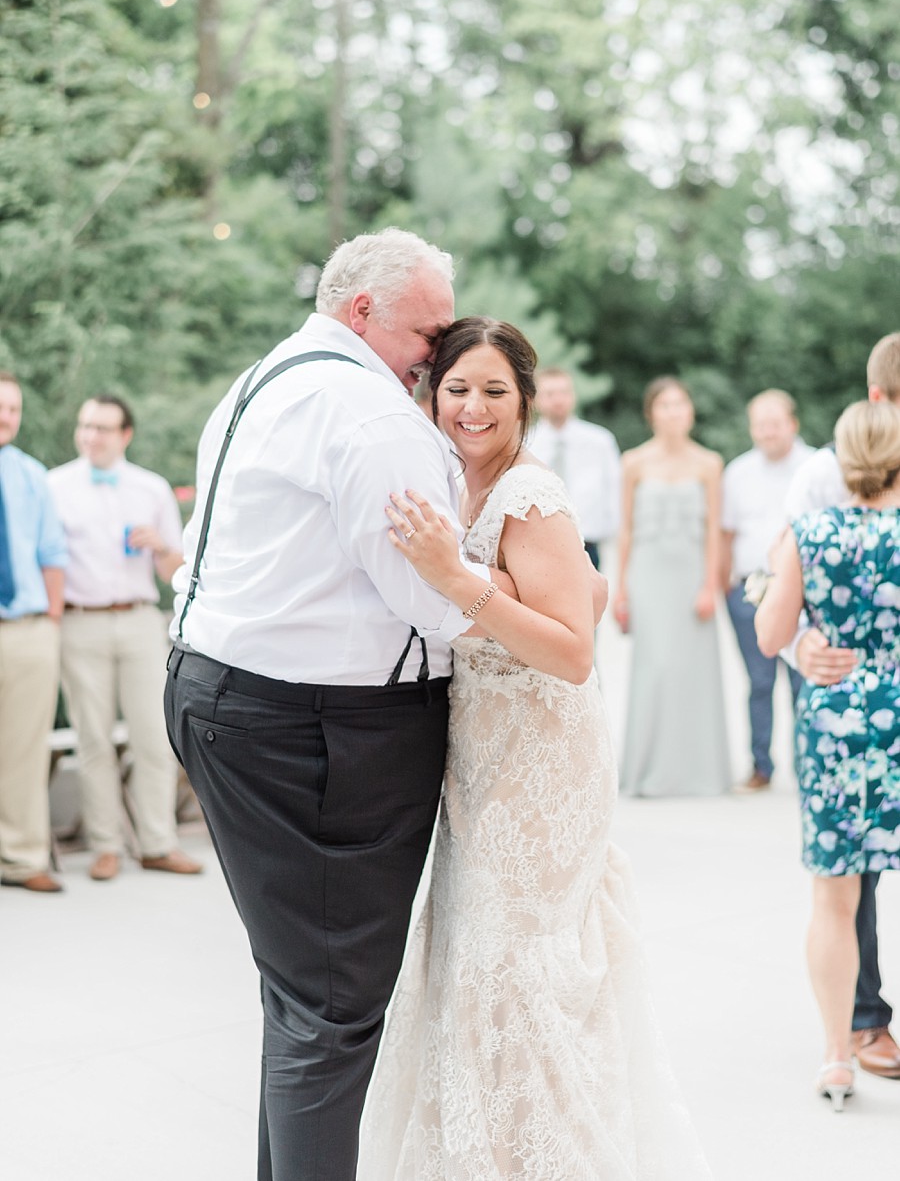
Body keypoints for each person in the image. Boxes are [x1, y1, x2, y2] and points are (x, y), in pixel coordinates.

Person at [163, 229, 513, 1181]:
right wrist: (535, 588)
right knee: (333, 1007)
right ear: (364, 312)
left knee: (302, 998)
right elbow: (434, 601)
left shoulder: (261, 382)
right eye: (428, 331)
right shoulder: (369, 415)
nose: (436, 354)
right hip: (319, 736)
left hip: (227, 698)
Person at [359, 318, 712, 1180]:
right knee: (477, 961)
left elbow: (570, 649)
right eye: (456, 389)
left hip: (544, 762)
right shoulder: (454, 486)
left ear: (524, 399)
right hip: (481, 753)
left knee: (521, 968)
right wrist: (493, 580)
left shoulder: (531, 493)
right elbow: (569, 594)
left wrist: (461, 583)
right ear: (429, 394)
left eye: (494, 391)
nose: (472, 407)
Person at [755, 399, 900, 1110]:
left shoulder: (808, 533)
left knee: (835, 898)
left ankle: (838, 1057)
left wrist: (811, 639)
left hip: (838, 730)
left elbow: (770, 633)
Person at [48, 396, 201, 883]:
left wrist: (161, 545)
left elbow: (176, 570)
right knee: (92, 739)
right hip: (79, 622)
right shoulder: (55, 487)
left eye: (104, 428)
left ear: (125, 435)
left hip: (138, 619)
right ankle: (105, 846)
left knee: (153, 736)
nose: (92, 436)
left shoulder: (151, 489)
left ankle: (158, 843)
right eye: (86, 425)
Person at [614, 377, 731, 796]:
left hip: (690, 575)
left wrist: (708, 586)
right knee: (656, 667)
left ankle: (698, 773)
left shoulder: (709, 463)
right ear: (651, 414)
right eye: (664, 405)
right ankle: (647, 772)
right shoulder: (633, 462)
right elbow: (625, 530)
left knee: (693, 671)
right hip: (648, 573)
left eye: (680, 404)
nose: (673, 412)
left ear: (691, 412)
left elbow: (714, 531)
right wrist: (621, 589)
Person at [721, 390, 813, 790]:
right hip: (748, 591)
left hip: (806, 592)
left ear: (792, 423)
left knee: (803, 679)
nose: (768, 431)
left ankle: (808, 765)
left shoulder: (816, 467)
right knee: (758, 682)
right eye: (760, 424)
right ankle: (761, 766)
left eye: (775, 423)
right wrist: (722, 583)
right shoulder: (738, 472)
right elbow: (727, 533)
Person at [0, 371, 68, 894]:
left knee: (23, 749)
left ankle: (22, 858)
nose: (6, 417)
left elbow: (50, 555)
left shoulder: (31, 476)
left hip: (26, 632)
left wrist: (50, 624)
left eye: (13, 409)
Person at [529, 366, 621, 567]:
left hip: (587, 541)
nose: (558, 400)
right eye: (550, 394)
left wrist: (610, 532)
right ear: (536, 399)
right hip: (538, 543)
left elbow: (614, 488)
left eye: (564, 392)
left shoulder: (600, 440)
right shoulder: (526, 443)